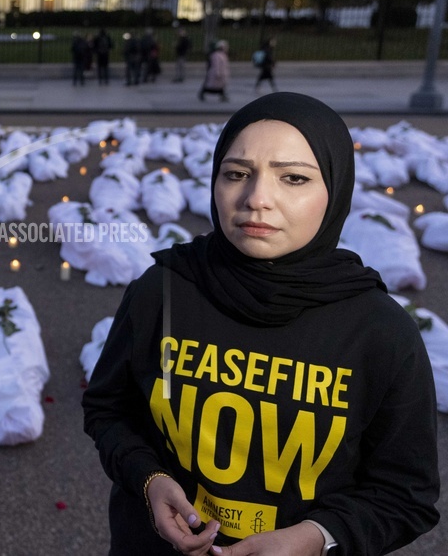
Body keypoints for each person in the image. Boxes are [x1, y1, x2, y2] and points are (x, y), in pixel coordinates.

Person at [83, 93, 440, 556]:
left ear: (335, 190)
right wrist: (149, 479)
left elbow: (405, 496)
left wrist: (314, 538)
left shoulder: (380, 333)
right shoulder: (161, 292)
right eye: (236, 174)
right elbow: (108, 409)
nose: (257, 199)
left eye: (293, 178)